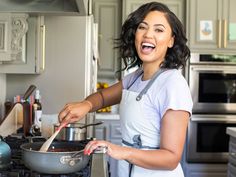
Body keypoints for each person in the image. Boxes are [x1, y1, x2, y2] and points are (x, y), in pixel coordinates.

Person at [58, 2, 193, 177]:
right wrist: (86, 105)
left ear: (171, 40)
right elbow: (102, 97)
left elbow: (171, 158)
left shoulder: (173, 84)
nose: (148, 34)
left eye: (158, 30)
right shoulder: (136, 77)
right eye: (142, 27)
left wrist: (122, 151)